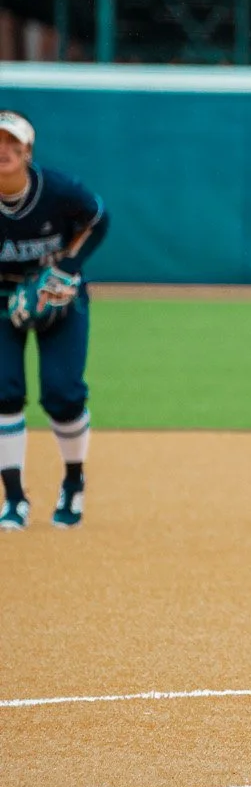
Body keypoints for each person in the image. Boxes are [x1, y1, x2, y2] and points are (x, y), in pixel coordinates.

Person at [0, 108, 108, 530]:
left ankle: (73, 483)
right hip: (1, 298)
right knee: (4, 393)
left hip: (60, 296)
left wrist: (69, 268)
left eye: (13, 144)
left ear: (28, 152)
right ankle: (14, 498)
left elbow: (98, 217)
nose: (4, 152)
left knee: (63, 395)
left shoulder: (58, 190)